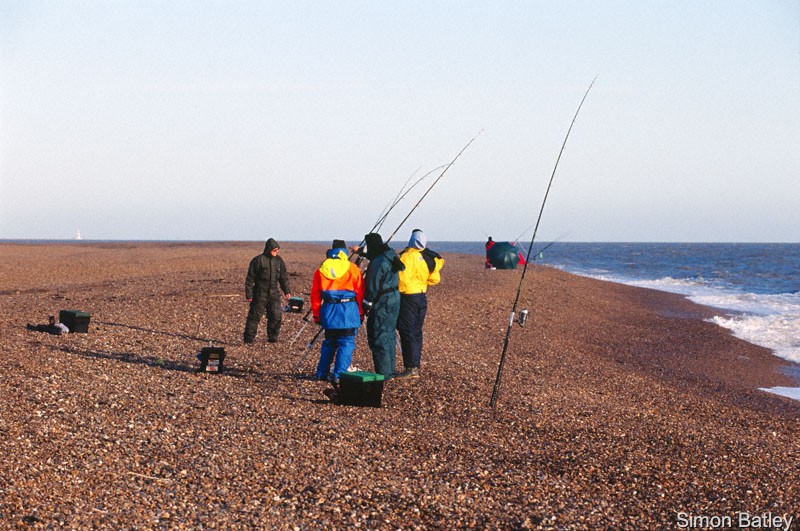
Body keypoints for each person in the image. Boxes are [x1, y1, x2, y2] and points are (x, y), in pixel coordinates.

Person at [311, 240, 365, 384]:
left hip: (329, 310)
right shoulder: (352, 269)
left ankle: (321, 373)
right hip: (348, 311)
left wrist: (317, 314)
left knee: (329, 342)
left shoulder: (321, 269)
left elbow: (315, 294)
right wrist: (360, 312)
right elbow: (360, 293)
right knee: (346, 343)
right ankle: (339, 374)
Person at [395, 229, 444, 379]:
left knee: (407, 331)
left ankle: (411, 368)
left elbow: (401, 280)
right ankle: (414, 365)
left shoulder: (406, 257)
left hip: (408, 297)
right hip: (421, 296)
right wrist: (422, 282)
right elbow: (435, 279)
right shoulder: (428, 258)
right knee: (416, 331)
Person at [359, 232, 405, 379]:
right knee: (389, 334)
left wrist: (366, 304)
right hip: (394, 299)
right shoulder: (390, 255)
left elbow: (372, 285)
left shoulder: (378, 261)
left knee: (379, 336)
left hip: (382, 302)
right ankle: (389, 370)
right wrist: (360, 252)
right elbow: (376, 256)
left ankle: (384, 373)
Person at [244, 238, 292, 344]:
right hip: (260, 293)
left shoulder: (279, 261)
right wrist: (249, 294)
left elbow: (283, 277)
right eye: (274, 250)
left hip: (274, 293)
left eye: (277, 250)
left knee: (276, 316)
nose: (276, 252)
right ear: (268, 249)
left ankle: (273, 338)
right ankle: (248, 340)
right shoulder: (258, 260)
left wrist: (287, 291)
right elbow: (250, 279)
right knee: (254, 316)